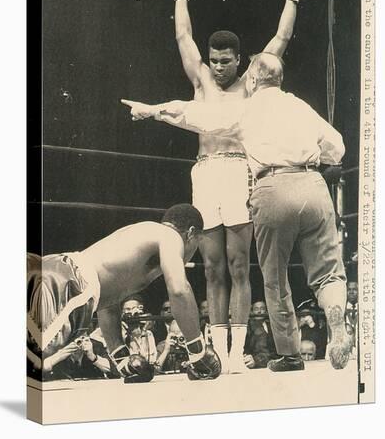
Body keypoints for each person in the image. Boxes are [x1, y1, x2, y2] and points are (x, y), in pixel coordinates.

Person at [121, 50, 351, 371]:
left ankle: (290, 354)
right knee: (328, 272)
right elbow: (337, 146)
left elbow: (192, 114)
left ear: (254, 78)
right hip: (313, 184)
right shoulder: (301, 106)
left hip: (273, 186)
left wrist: (153, 111)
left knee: (274, 278)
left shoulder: (246, 109)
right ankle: (338, 320)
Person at [168, 0, 309, 373]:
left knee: (237, 265)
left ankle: (235, 354)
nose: (218, 67)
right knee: (211, 268)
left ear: (239, 59)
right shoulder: (201, 80)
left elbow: (281, 40)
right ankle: (216, 354)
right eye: (213, 60)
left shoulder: (252, 81)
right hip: (205, 174)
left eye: (225, 61)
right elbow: (182, 36)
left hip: (238, 171)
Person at [27, 203, 221, 382]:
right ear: (191, 233)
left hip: (60, 272)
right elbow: (180, 290)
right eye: (198, 244)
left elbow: (107, 303)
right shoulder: (170, 237)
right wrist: (198, 352)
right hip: (70, 284)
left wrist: (120, 357)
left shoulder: (142, 237)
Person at [121, 296, 157, 364]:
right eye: (128, 309)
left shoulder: (148, 333)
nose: (132, 313)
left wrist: (144, 331)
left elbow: (149, 360)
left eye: (134, 309)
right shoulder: (118, 333)